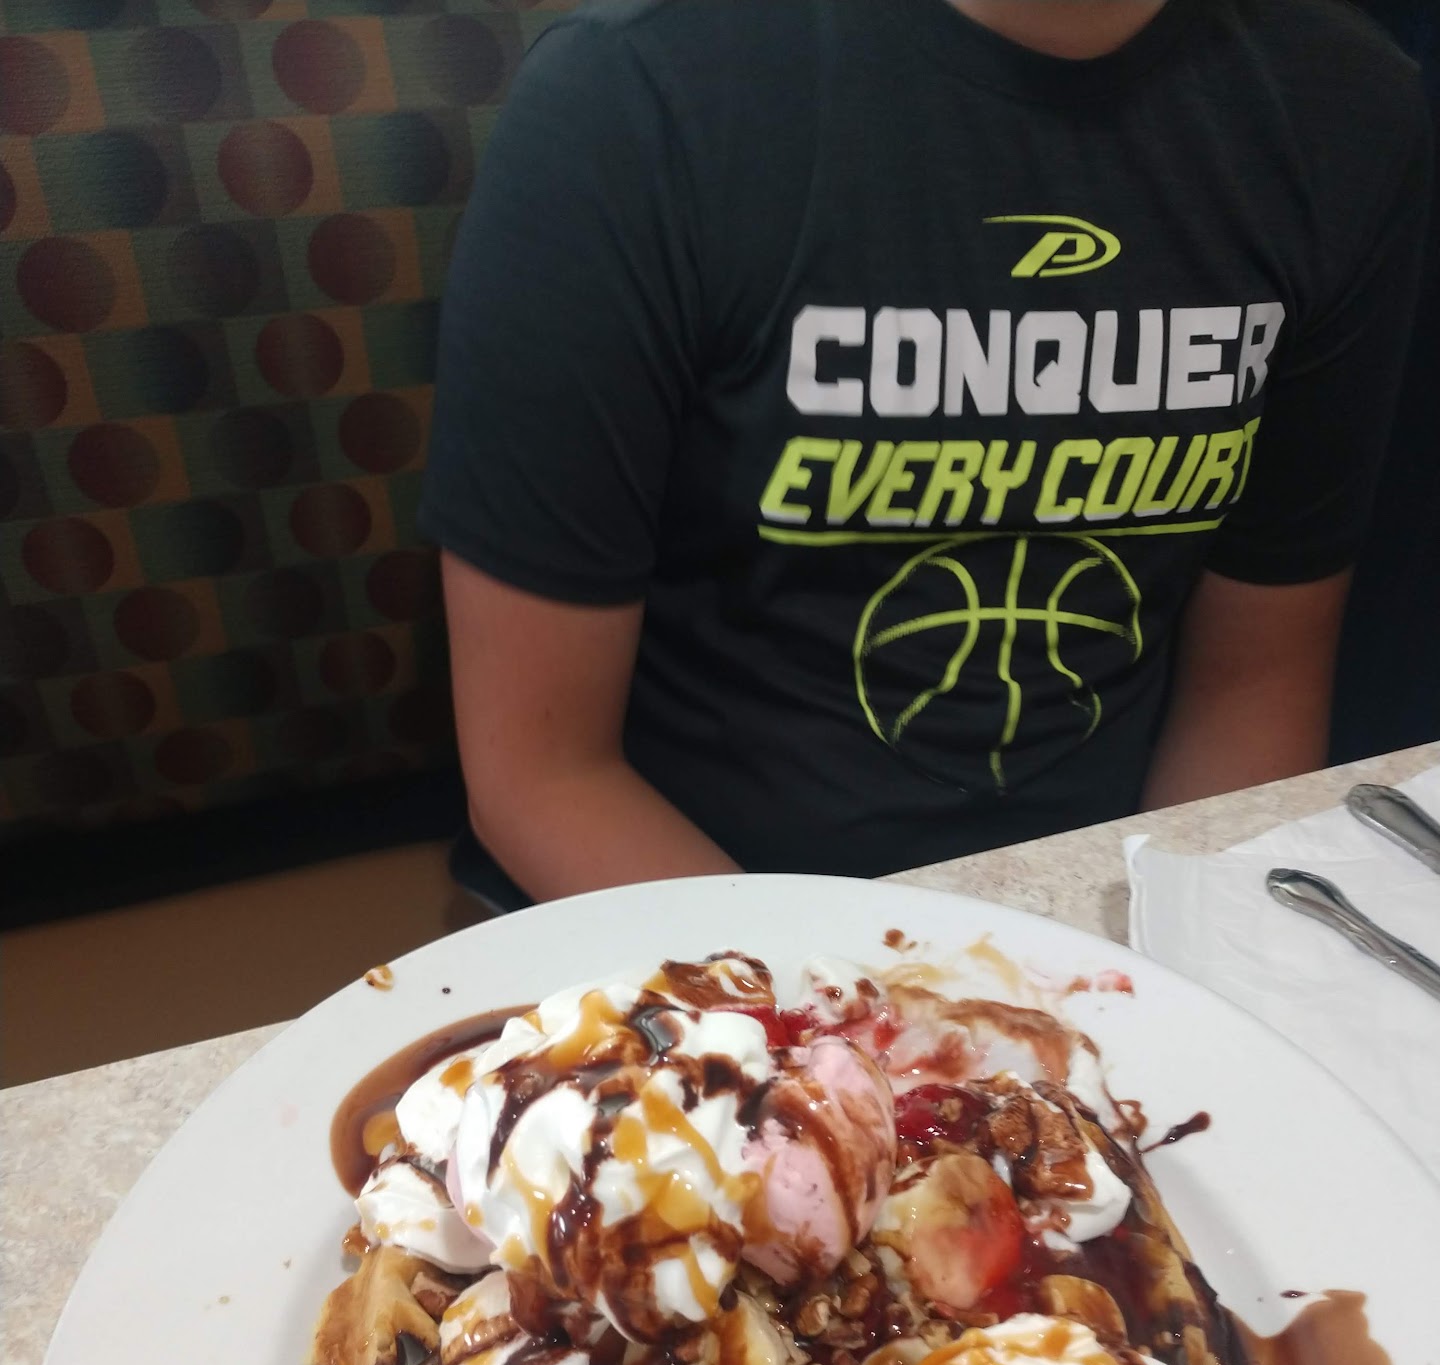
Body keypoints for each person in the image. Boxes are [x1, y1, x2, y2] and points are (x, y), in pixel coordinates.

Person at [420, 0, 1431, 902]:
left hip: (1108, 897)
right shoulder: (634, 94)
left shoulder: (1345, 106)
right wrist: (854, 1028)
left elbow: (1252, 685)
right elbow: (542, 775)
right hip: (697, 908)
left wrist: (1177, 959)